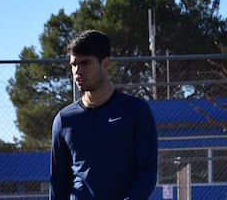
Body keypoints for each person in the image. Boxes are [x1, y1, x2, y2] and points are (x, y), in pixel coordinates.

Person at [50, 29, 157, 200]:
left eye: (85, 63)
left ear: (105, 63)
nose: (78, 71)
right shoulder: (64, 120)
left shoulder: (136, 111)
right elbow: (59, 182)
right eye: (73, 64)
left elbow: (148, 172)